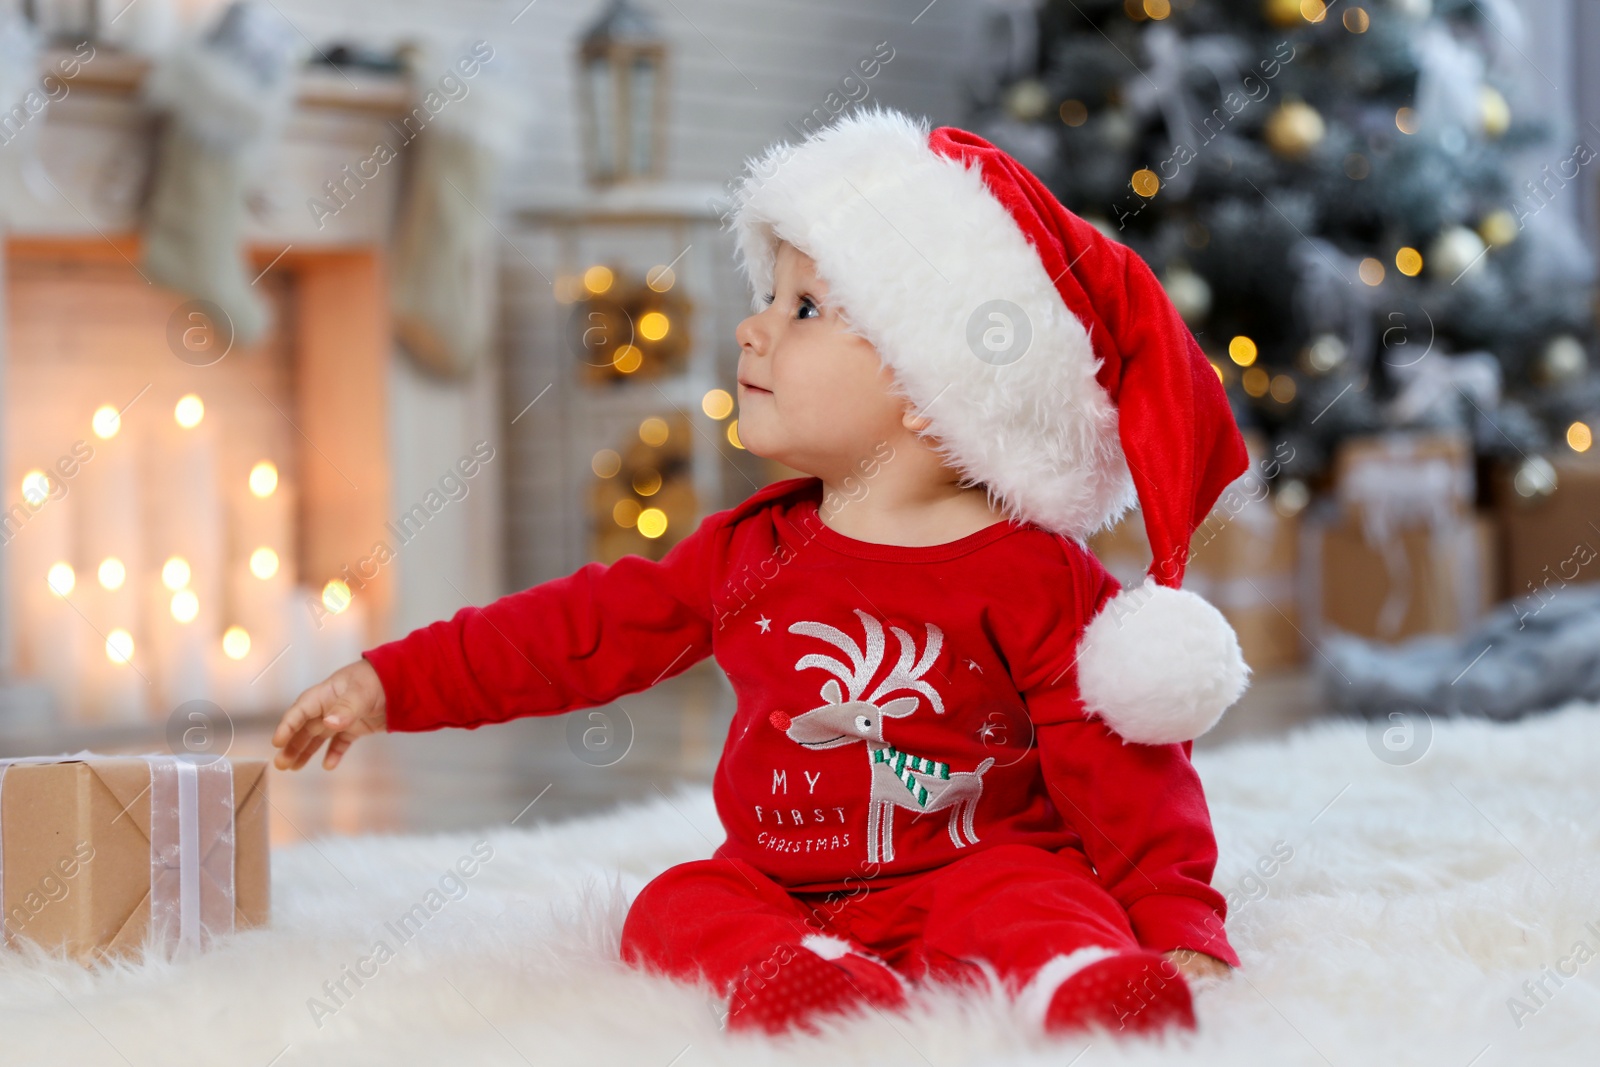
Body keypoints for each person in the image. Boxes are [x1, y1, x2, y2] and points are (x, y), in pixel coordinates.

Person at [271, 106, 1252, 1037]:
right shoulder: (749, 553)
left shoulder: (1039, 577)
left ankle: (1080, 981)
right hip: (780, 879)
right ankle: (801, 967)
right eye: (767, 298)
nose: (753, 328)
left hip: (974, 862)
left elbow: (1127, 776)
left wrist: (1177, 921)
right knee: (672, 902)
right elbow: (575, 633)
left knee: (1040, 898)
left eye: (807, 306)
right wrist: (392, 680)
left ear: (929, 384)